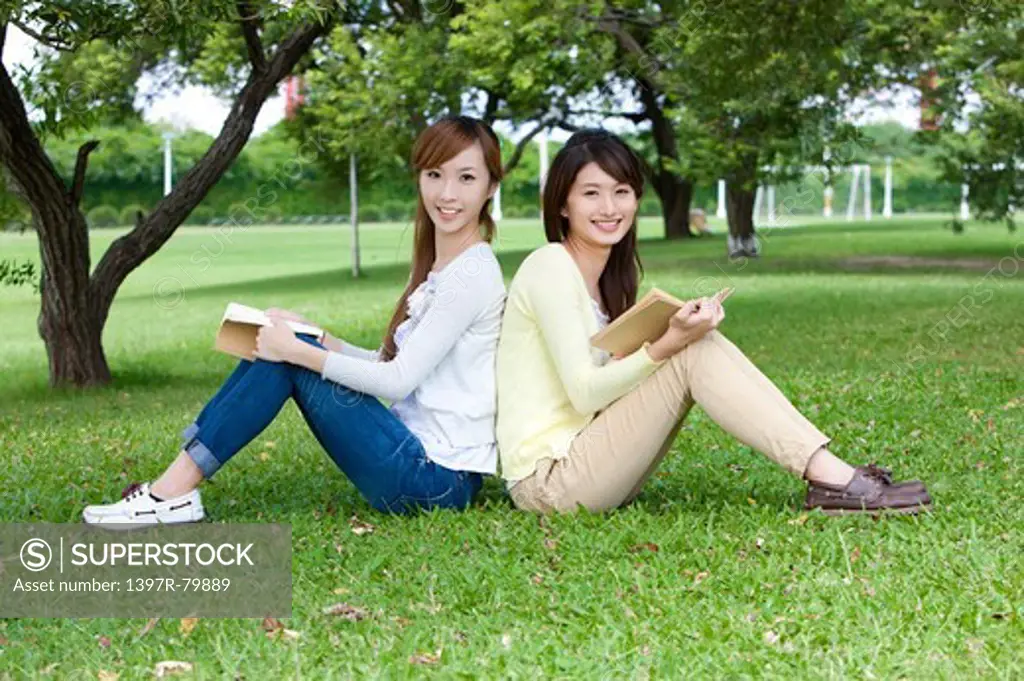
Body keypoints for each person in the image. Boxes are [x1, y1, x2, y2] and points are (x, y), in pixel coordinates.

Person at [83, 115, 507, 527]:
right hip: (420, 464)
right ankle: (171, 489)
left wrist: (299, 351)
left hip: (434, 481)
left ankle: (169, 494)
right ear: (419, 178)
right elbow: (389, 361)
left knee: (286, 357)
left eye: (466, 178)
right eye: (435, 174)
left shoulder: (471, 273)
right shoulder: (445, 268)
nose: (447, 192)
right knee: (277, 343)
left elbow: (397, 381)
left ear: (491, 186)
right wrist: (318, 337)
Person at [495, 129, 931, 515]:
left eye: (622, 191)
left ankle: (830, 474)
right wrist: (666, 344)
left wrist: (669, 338)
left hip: (593, 461)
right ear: (563, 204)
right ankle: (833, 479)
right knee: (691, 350)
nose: (609, 207)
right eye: (591, 193)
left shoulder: (609, 281)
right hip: (549, 483)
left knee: (695, 342)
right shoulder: (549, 266)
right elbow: (584, 392)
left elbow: (603, 390)